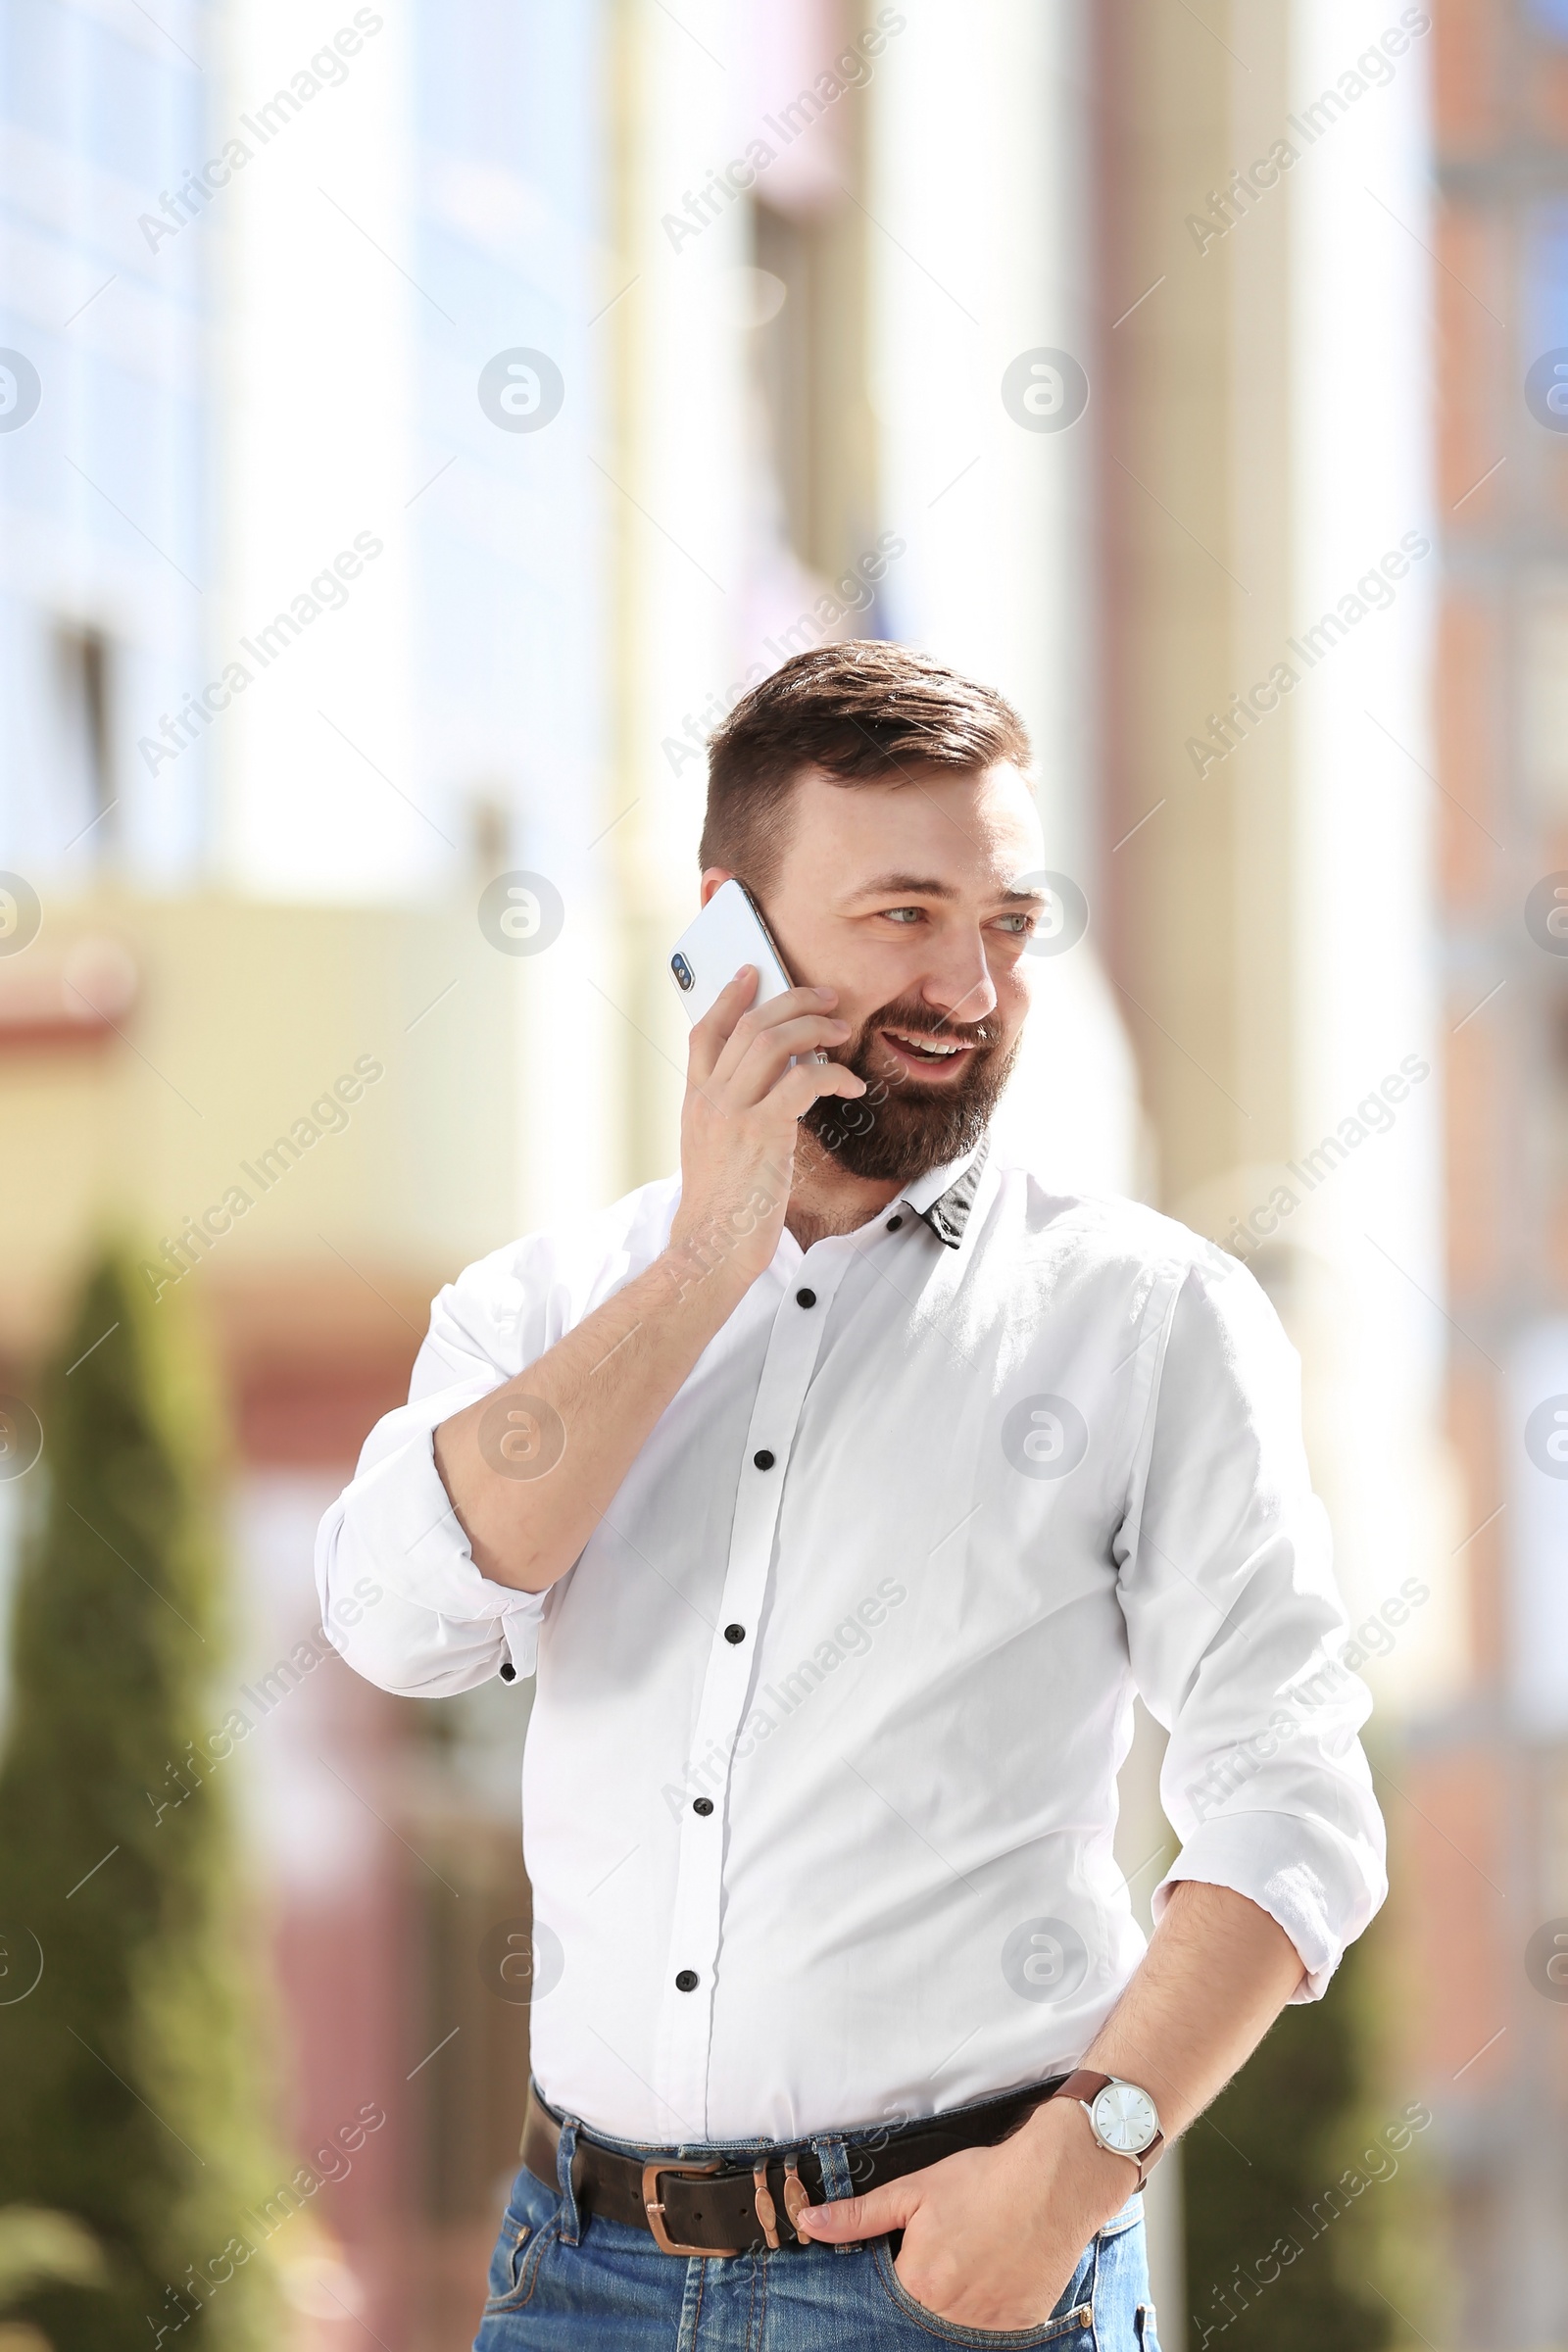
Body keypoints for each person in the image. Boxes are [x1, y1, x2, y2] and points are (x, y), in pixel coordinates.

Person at [316, 641, 1386, 2347]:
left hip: (946, 2286)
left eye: (1011, 922)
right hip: (571, 2276)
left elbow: (1293, 1802)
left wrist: (1080, 2163)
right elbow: (399, 1621)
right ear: (731, 925)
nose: (973, 980)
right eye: (905, 914)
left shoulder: (1150, 1318)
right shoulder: (539, 1310)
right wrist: (704, 1264)